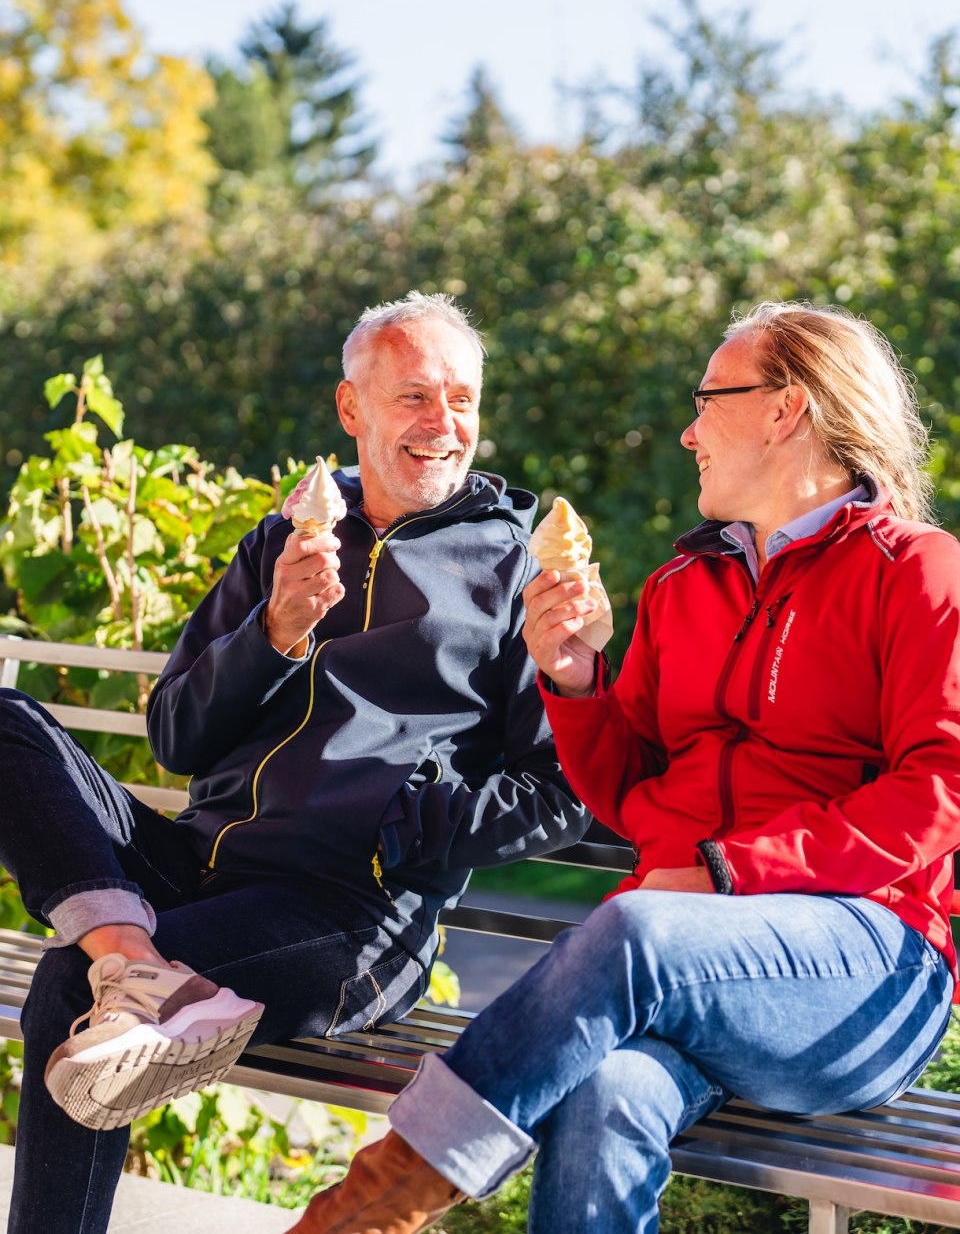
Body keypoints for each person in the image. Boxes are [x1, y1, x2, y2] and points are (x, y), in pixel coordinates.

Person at [288, 300, 960, 1234]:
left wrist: (730, 871)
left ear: (785, 409)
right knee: (605, 1090)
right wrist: (574, 680)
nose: (688, 431)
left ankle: (370, 1205)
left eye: (706, 400)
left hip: (863, 965)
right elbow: (626, 787)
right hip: (687, 966)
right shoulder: (684, 587)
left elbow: (940, 791)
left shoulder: (918, 570)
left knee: (634, 923)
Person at [0, 290, 591, 1234]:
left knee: (72, 983)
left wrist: (404, 827)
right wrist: (273, 632)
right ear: (352, 407)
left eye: (462, 399)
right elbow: (175, 736)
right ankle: (133, 956)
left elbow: (564, 788)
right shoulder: (284, 540)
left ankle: (122, 963)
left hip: (348, 912)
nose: (443, 423)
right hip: (196, 865)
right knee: (7, 721)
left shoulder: (519, 570)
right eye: (414, 396)